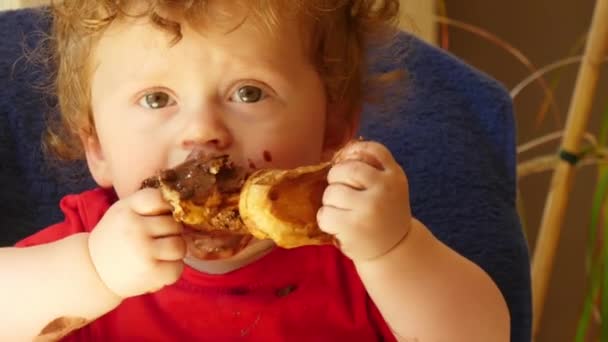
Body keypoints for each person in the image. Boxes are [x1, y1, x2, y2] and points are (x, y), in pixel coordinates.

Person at [0, 1, 510, 341]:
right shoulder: (87, 248)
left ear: (333, 130)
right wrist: (94, 271)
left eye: (249, 93)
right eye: (157, 99)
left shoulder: (357, 248)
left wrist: (395, 250)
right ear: (97, 147)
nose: (201, 132)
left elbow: (484, 333)